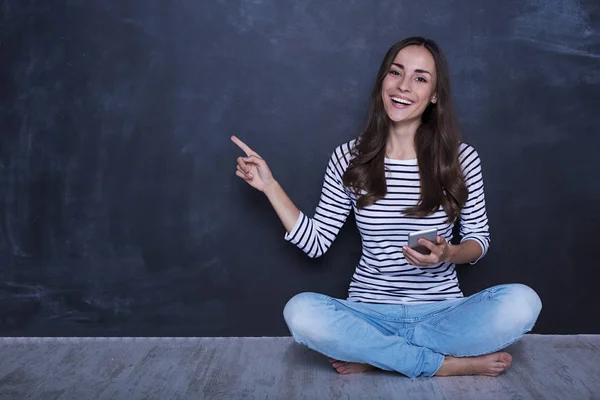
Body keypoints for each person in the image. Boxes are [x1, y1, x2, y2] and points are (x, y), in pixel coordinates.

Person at [231, 36, 542, 378]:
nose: (404, 86)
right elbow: (315, 243)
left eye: (420, 78)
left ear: (435, 95)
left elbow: (478, 241)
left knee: (523, 302)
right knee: (300, 312)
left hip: (442, 312)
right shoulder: (348, 158)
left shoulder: (462, 159)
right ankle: (441, 365)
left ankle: (380, 354)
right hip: (369, 312)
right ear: (383, 79)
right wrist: (269, 186)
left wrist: (447, 254)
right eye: (396, 72)